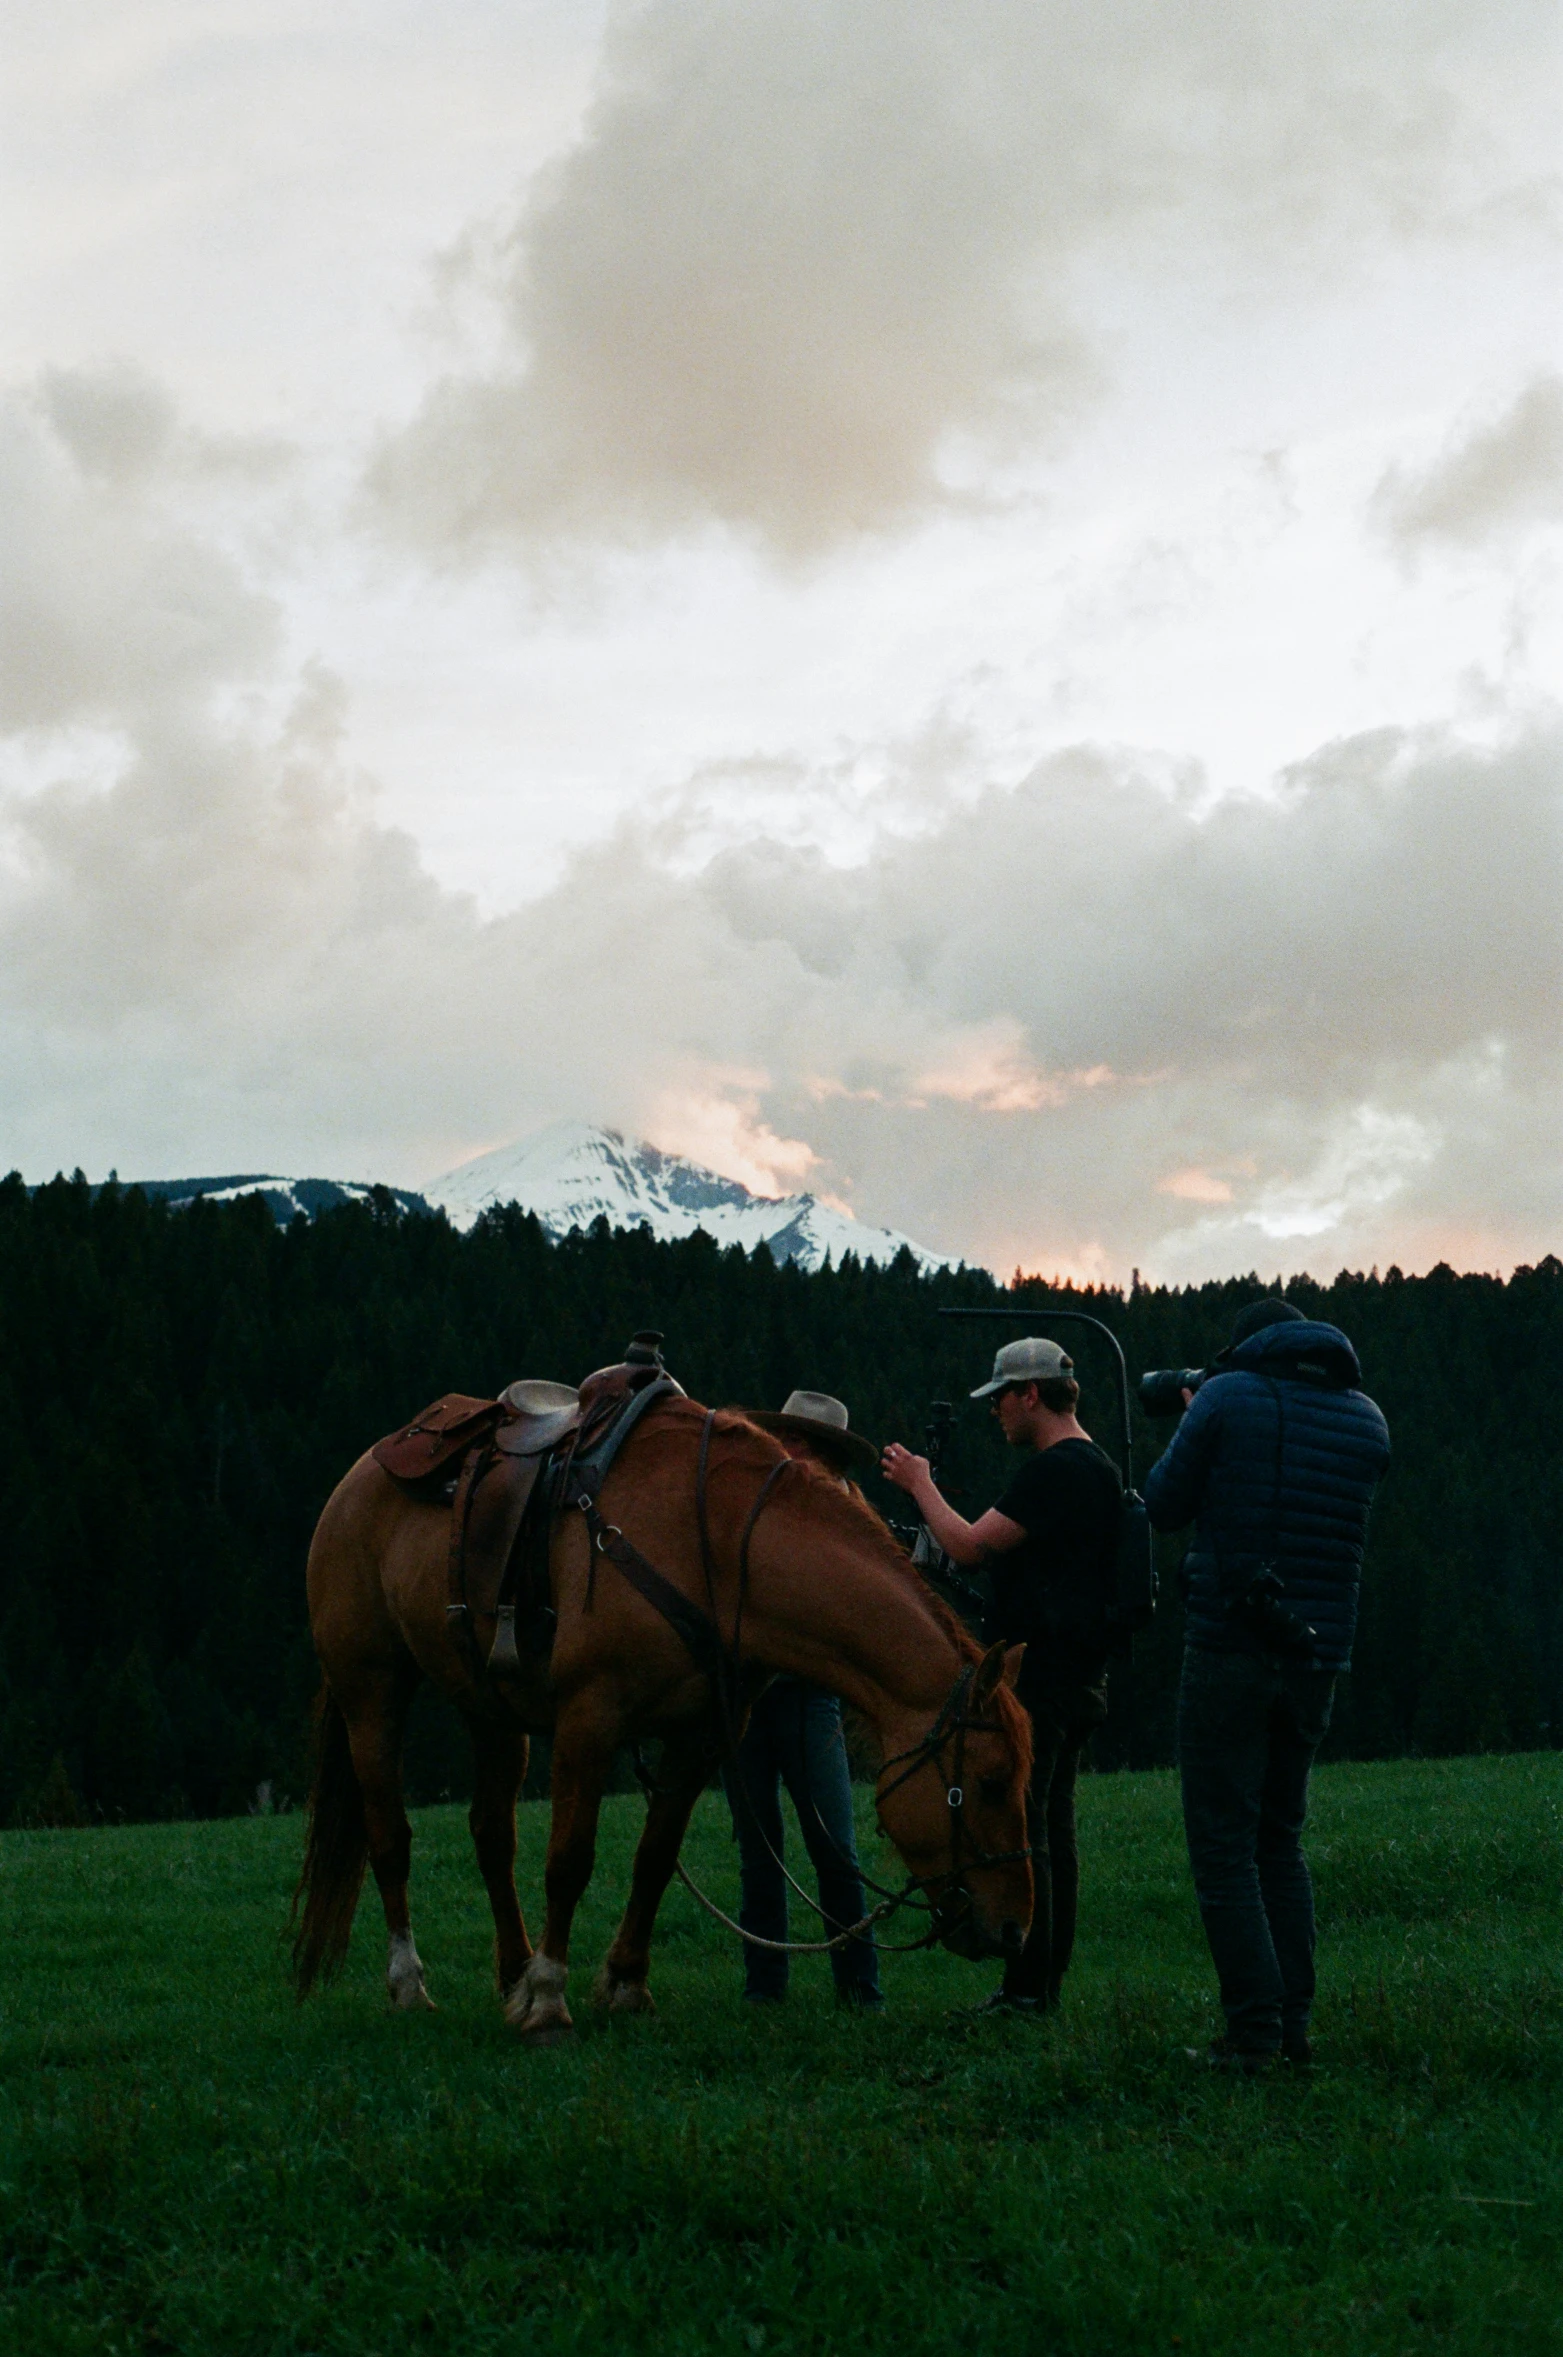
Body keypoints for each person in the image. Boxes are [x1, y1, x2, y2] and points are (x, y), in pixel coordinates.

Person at [1144, 1297, 1390, 2073]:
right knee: (1278, 1841)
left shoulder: (1225, 1396)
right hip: (1317, 1656)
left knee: (1222, 1847)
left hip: (1230, 1646)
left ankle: (1250, 2034)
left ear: (1243, 1348)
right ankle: (1291, 2029)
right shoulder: (1367, 1418)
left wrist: (1194, 1414)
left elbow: (1161, 1502)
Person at [881, 1337, 1123, 2018]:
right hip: (1082, 1675)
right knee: (1055, 1827)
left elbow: (969, 1545)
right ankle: (1042, 1985)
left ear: (1029, 1394)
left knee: (1028, 1832)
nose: (995, 1414)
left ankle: (1024, 1990)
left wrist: (918, 1481)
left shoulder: (1057, 1470)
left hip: (1039, 1681)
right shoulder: (1097, 1466)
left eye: (1000, 1400)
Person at [724, 1390, 884, 2009]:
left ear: (826, 1460)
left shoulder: (848, 1526)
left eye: (801, 1445)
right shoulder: (748, 1506)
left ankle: (860, 1989)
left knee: (834, 1848)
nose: (787, 1453)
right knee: (759, 1854)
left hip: (811, 1700)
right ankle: (765, 1989)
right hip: (746, 1699)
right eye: (787, 1441)